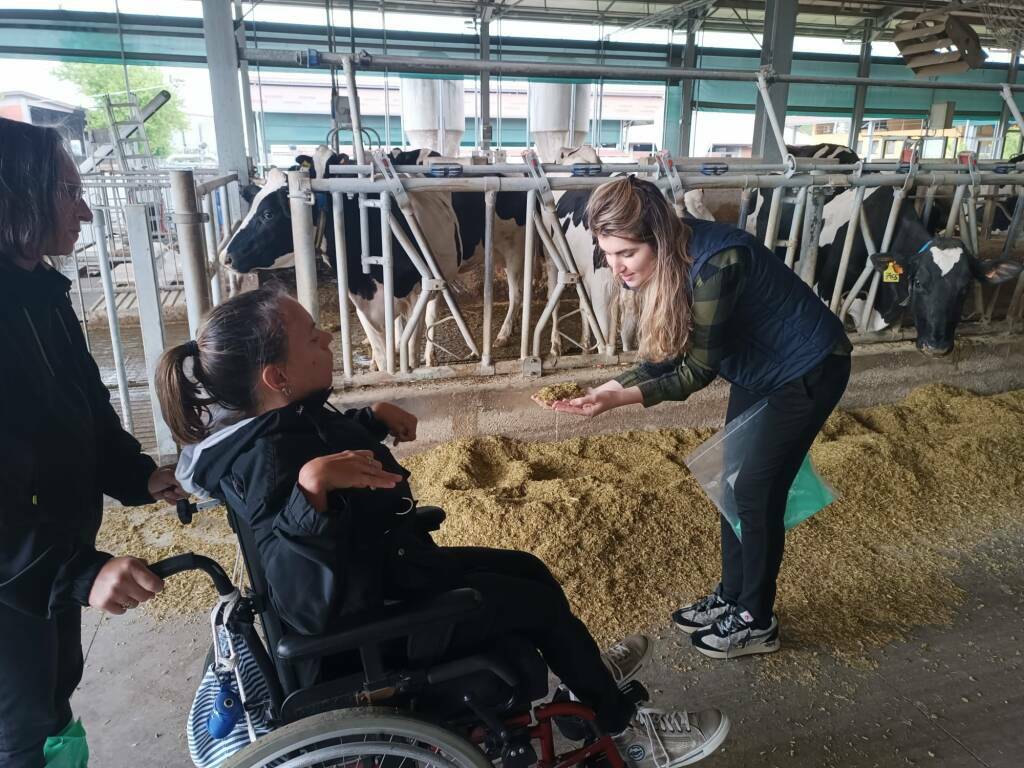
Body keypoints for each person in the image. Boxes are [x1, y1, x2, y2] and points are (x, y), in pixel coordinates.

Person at [155, 284, 730, 768]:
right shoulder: (270, 463)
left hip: (387, 576)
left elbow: (314, 440)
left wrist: (367, 420)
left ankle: (582, 675)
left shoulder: (269, 425)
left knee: (531, 569)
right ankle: (620, 729)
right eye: (313, 335)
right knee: (536, 602)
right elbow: (305, 603)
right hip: (370, 630)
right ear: (277, 375)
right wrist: (313, 489)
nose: (327, 337)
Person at [550, 175, 851, 660]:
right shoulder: (672, 260)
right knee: (730, 482)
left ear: (657, 238)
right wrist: (606, 388)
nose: (616, 266)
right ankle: (732, 597)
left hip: (808, 368)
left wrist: (615, 401)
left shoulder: (716, 264)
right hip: (761, 366)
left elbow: (696, 370)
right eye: (608, 253)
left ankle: (757, 619)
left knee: (754, 490)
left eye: (625, 253)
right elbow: (668, 355)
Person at [0, 117, 188, 767]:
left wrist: (138, 475)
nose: (83, 210)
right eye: (67, 192)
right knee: (19, 727)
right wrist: (80, 571)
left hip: (44, 570)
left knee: (49, 700)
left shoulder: (42, 295)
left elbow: (83, 408)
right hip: (14, 582)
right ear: (15, 194)